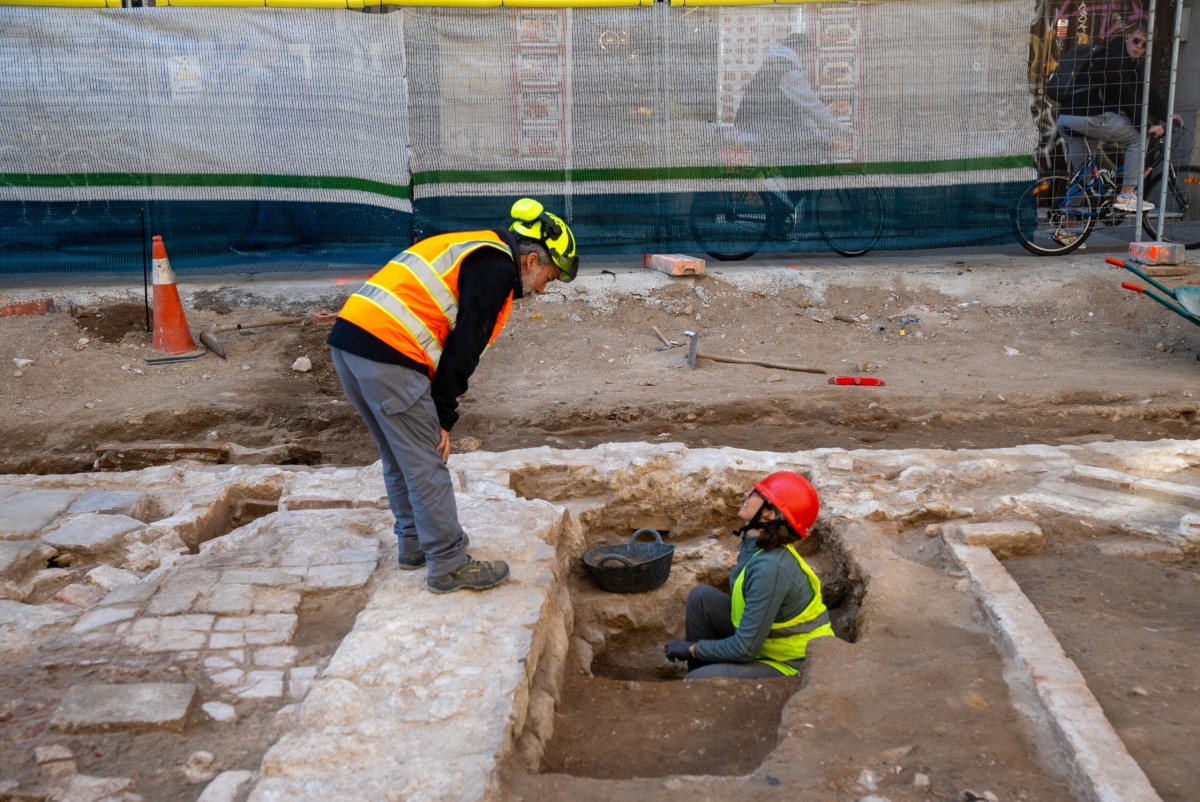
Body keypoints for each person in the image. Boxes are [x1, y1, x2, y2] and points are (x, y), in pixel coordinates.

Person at [326, 198, 578, 593]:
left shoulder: (474, 248)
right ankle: (447, 562)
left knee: (399, 453)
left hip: (349, 345)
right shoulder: (496, 269)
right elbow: (465, 348)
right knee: (427, 459)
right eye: (551, 276)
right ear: (531, 261)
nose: (545, 289)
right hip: (388, 351)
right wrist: (442, 416)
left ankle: (413, 544)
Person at [663, 471, 835, 679]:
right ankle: (708, 679)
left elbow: (744, 649)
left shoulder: (770, 569)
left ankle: (704, 681)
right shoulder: (757, 547)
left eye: (756, 493)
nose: (747, 493)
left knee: (696, 682)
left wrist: (692, 649)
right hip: (763, 644)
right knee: (701, 598)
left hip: (792, 663)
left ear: (768, 514)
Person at [1056, 25, 1183, 230]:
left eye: (1144, 45)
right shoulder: (1114, 59)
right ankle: (1126, 194)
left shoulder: (1129, 64)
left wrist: (1167, 115)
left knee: (1083, 176)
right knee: (1137, 137)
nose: (1138, 48)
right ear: (1127, 37)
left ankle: (1065, 229)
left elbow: (1145, 91)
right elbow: (1124, 95)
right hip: (1088, 116)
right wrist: (1147, 126)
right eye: (1136, 41)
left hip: (1067, 119)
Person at [734, 32, 853, 169]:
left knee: (816, 142)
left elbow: (800, 111)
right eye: (807, 56)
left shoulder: (773, 65)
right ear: (799, 50)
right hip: (764, 134)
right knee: (815, 149)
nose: (806, 60)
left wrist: (821, 132)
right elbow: (812, 106)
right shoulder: (788, 71)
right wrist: (840, 129)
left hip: (755, 132)